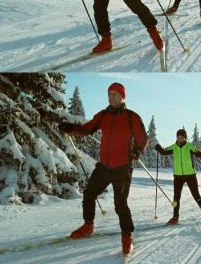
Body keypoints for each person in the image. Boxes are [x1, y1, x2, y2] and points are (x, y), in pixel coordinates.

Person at [59, 82, 149, 256]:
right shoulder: (103, 115)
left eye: (116, 94)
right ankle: (88, 226)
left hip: (123, 168)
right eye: (110, 94)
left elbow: (143, 138)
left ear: (123, 97)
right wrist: (71, 128)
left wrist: (138, 150)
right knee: (89, 194)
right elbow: (87, 129)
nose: (112, 97)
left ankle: (127, 237)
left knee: (120, 204)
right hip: (104, 166)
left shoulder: (131, 116)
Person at [155, 129, 201, 225]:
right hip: (178, 176)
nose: (180, 139)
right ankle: (175, 217)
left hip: (190, 175)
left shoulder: (189, 146)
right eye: (178, 137)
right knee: (176, 198)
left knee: (196, 196)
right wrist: (159, 148)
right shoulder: (173, 147)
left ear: (185, 138)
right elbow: (164, 152)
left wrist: (199, 153)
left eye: (182, 137)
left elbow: (199, 152)